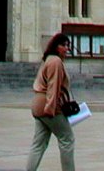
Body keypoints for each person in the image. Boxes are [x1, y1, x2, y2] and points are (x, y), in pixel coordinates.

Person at [26, 32, 76, 171]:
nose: (66, 48)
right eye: (63, 45)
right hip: (48, 104)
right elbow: (53, 87)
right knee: (67, 139)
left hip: (38, 103)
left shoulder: (48, 59)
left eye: (67, 45)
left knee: (39, 143)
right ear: (55, 46)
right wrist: (51, 108)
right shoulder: (55, 61)